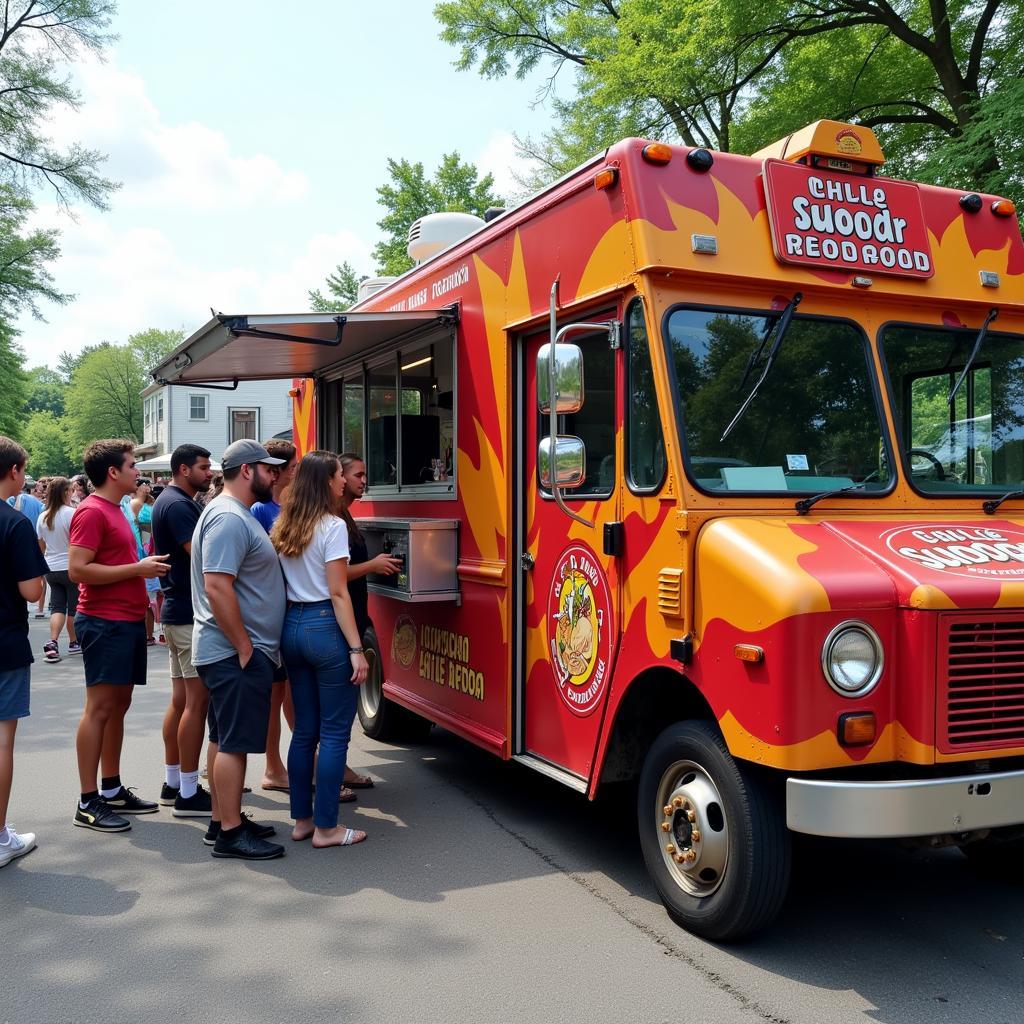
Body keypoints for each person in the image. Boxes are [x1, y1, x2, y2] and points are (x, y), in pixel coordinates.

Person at [191, 439, 285, 860]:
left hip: (231, 650)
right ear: (247, 471)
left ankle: (221, 819)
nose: (275, 475)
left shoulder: (232, 514)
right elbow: (217, 585)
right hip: (235, 652)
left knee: (224, 736)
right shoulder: (229, 517)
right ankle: (230, 833)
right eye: (269, 469)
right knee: (234, 743)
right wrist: (245, 646)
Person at [69, 439, 170, 833]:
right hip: (104, 621)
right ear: (113, 472)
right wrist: (137, 570)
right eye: (131, 466)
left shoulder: (114, 509)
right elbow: (78, 569)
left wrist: (139, 569)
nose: (137, 473)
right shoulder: (91, 511)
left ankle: (110, 788)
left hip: (125, 621)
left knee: (119, 705)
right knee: (99, 708)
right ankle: (87, 800)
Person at [272, 450, 370, 848]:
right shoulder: (332, 527)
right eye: (337, 477)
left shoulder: (285, 523)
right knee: (333, 735)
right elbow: (337, 591)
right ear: (325, 482)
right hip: (325, 627)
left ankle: (302, 821)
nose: (343, 482)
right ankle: (327, 828)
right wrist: (356, 648)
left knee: (304, 733)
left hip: (291, 627)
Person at [152, 444, 215, 818]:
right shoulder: (177, 505)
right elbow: (202, 554)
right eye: (203, 467)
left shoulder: (175, 501)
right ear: (182, 469)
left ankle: (173, 781)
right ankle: (189, 793)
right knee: (196, 702)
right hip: (188, 614)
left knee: (181, 701)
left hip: (177, 612)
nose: (209, 473)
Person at [337, 453, 402, 790]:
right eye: (357, 474)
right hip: (339, 625)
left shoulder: (345, 515)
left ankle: (338, 768)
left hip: (352, 618)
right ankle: (333, 775)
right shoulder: (333, 518)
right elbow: (333, 576)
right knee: (337, 709)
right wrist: (373, 565)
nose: (364, 480)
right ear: (339, 479)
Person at [0, 437, 48, 868]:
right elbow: (33, 591)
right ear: (15, 472)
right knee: (2, 740)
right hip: (4, 641)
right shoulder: (12, 523)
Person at [251, 439, 299, 794]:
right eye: (293, 467)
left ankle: (305, 759)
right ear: (277, 471)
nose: (296, 472)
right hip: (274, 610)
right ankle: (273, 766)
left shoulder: (297, 505)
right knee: (275, 693)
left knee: (296, 692)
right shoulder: (260, 510)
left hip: (298, 608)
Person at [36, 476, 81, 662]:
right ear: (65, 493)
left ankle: (53, 641)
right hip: (70, 566)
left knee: (57, 607)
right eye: (71, 490)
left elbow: (41, 546)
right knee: (73, 607)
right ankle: (73, 641)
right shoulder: (72, 513)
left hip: (51, 568)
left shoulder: (42, 516)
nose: (73, 493)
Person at [8, 482, 46, 618]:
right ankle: (40, 609)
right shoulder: (36, 504)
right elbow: (33, 593)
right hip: (34, 540)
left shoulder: (10, 502)